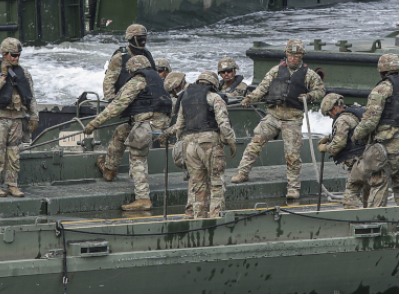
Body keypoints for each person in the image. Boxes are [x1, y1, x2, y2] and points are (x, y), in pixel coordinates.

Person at [234, 38, 324, 204]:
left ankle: (293, 188)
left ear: (301, 57)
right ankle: (242, 173)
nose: (293, 59)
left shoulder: (309, 75)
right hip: (273, 116)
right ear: (286, 55)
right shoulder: (276, 71)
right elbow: (262, 88)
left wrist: (310, 96)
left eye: (296, 56)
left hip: (292, 119)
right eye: (290, 55)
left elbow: (320, 91)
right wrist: (250, 98)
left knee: (292, 154)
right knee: (256, 142)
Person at [83, 54, 174, 211]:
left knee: (137, 156)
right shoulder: (159, 81)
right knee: (121, 132)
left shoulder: (136, 81)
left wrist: (93, 124)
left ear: (132, 71)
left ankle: (143, 198)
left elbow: (117, 105)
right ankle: (109, 170)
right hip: (158, 123)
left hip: (146, 124)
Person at [351, 53, 399, 206]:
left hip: (387, 147)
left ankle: (377, 222)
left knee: (379, 183)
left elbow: (370, 121)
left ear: (381, 70)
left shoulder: (382, 88)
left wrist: (356, 136)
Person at [169, 71, 236, 218]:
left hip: (189, 146)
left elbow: (179, 126)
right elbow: (224, 125)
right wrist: (231, 143)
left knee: (198, 185)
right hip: (209, 144)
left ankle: (197, 218)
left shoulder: (185, 98)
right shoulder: (215, 97)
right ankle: (215, 218)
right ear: (213, 85)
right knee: (216, 183)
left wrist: (182, 145)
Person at [96, 24, 156, 182]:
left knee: (124, 134)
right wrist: (111, 101)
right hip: (125, 102)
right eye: (139, 39)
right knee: (121, 133)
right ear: (131, 39)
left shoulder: (147, 55)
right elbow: (109, 80)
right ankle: (110, 169)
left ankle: (110, 169)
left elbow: (154, 79)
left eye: (144, 39)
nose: (143, 42)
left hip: (143, 105)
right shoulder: (120, 57)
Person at [0, 37, 33, 198]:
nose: (16, 58)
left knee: (14, 154)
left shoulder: (22, 72)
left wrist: (34, 117)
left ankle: (12, 185)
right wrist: (3, 74)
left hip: (16, 117)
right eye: (13, 55)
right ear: (4, 54)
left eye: (18, 55)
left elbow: (31, 96)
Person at [318, 93, 368, 209]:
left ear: (334, 108)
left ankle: (354, 222)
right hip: (372, 159)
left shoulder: (342, 120)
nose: (330, 117)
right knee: (370, 197)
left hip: (359, 163)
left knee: (350, 199)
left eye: (329, 114)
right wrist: (329, 138)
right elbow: (352, 133)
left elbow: (337, 146)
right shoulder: (355, 112)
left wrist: (324, 147)